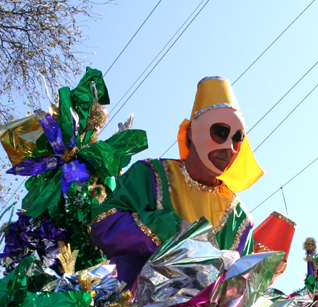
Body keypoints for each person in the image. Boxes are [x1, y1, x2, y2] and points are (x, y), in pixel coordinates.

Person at [91, 76, 263, 286]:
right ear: (192, 133)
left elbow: (242, 287)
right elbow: (104, 224)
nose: (230, 147)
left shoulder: (239, 217)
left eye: (238, 138)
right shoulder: (150, 175)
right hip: (132, 300)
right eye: (220, 132)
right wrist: (171, 229)